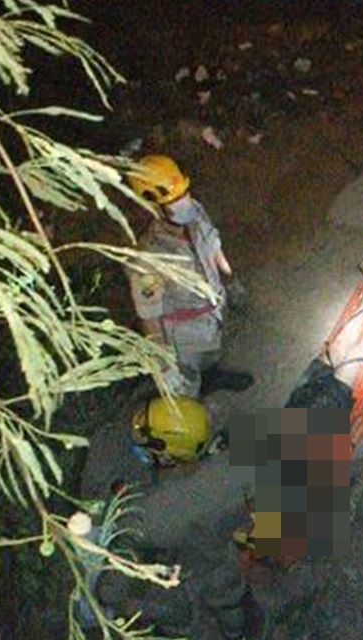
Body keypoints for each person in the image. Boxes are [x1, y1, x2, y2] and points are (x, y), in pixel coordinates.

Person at [124, 395, 260, 639]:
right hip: (225, 537)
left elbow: (131, 533)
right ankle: (240, 627)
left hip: (206, 558)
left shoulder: (155, 509)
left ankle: (237, 631)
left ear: (168, 454)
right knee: (229, 590)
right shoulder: (228, 466)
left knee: (222, 593)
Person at [127, 154, 253, 397]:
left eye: (184, 194)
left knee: (212, 356)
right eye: (174, 201)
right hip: (184, 336)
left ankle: (213, 378)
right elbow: (149, 316)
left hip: (213, 314)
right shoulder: (149, 257)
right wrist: (164, 366)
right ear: (152, 207)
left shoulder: (195, 213)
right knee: (188, 390)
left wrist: (230, 280)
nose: (184, 204)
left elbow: (214, 246)